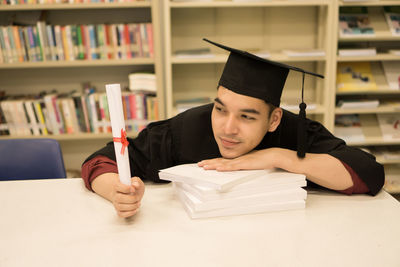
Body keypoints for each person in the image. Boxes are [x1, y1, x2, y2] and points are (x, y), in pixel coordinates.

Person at [81, 39, 385, 218]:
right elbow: (104, 159)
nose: (227, 128)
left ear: (274, 119)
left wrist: (278, 157)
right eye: (220, 108)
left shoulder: (296, 133)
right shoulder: (188, 128)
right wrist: (117, 192)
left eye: (248, 117)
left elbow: (367, 174)